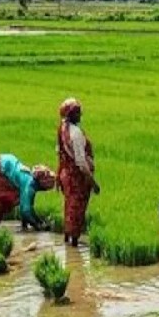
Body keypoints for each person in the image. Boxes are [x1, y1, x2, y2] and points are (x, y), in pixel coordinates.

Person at [56, 98, 100, 247]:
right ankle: (74, 245)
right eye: (77, 112)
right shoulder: (75, 134)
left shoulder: (63, 128)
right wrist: (93, 182)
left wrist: (58, 175)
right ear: (71, 115)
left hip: (66, 175)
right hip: (77, 178)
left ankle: (67, 239)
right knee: (77, 210)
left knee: (69, 207)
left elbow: (59, 153)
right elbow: (81, 162)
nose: (80, 115)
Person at [0, 153, 55, 230]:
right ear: (42, 182)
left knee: (22, 199)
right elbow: (25, 211)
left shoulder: (31, 182)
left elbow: (28, 206)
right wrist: (38, 226)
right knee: (6, 200)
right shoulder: (29, 185)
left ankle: (24, 227)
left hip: (3, 163)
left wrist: (39, 222)